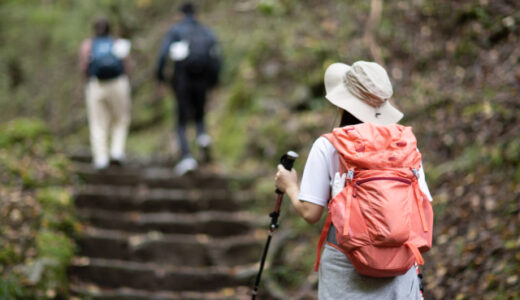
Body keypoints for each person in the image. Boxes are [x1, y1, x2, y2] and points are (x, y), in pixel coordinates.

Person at [274, 61, 433, 299]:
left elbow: (310, 213)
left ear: (342, 104)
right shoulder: (404, 145)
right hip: (401, 268)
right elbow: (423, 204)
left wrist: (289, 186)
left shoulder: (328, 146)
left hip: (346, 268)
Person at [155, 2, 221, 176]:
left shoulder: (176, 31)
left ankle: (187, 158)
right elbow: (216, 58)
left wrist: (161, 77)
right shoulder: (206, 32)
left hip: (182, 80)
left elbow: (163, 55)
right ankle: (202, 136)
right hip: (203, 81)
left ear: (180, 14)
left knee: (181, 121)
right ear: (196, 14)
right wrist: (214, 82)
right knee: (199, 114)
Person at [79, 17, 132, 170]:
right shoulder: (118, 43)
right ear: (110, 29)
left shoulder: (88, 45)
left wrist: (87, 83)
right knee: (121, 119)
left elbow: (83, 66)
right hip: (118, 83)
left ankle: (101, 158)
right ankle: (117, 151)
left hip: (96, 85)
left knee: (97, 122)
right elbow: (127, 65)